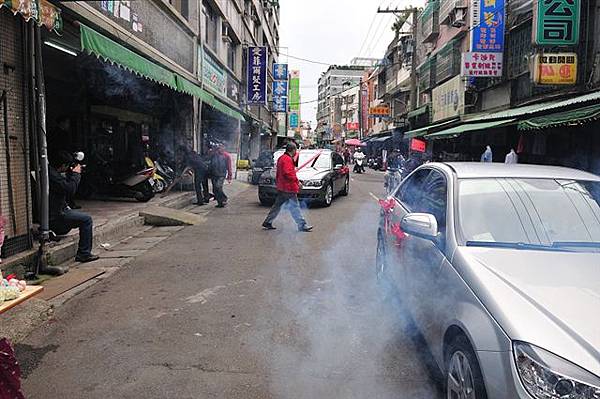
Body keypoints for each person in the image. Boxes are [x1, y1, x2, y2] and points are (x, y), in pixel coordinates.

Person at [49, 151, 99, 263]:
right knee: (86, 220)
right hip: (56, 215)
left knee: (76, 217)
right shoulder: (53, 176)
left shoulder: (50, 172)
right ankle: (84, 254)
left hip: (58, 210)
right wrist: (76, 174)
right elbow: (70, 189)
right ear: (62, 165)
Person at [262, 142, 313, 232]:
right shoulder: (287, 159)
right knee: (295, 207)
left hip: (282, 187)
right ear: (293, 150)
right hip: (288, 188)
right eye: (295, 150)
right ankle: (302, 224)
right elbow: (288, 173)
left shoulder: (282, 158)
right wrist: (297, 182)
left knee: (277, 206)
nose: (296, 152)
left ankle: (268, 221)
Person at [210, 143, 233, 208]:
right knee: (215, 189)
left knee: (218, 186)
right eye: (219, 147)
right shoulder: (214, 154)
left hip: (221, 174)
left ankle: (224, 198)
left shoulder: (226, 156)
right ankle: (220, 203)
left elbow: (229, 166)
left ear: (224, 148)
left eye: (221, 147)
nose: (220, 148)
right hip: (214, 174)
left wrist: (229, 176)